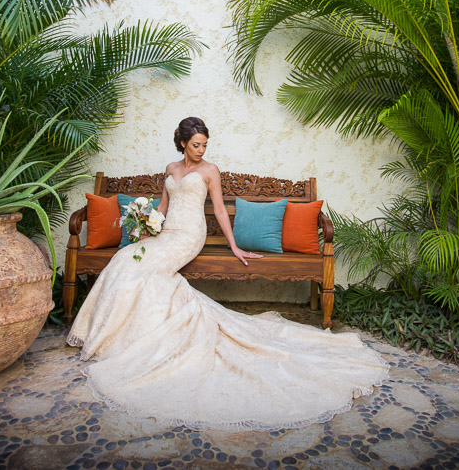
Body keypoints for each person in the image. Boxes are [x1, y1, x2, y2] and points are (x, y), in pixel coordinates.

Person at [67, 117, 388, 431]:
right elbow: (163, 205)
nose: (201, 150)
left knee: (143, 272)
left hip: (189, 237)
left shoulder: (210, 171)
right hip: (165, 235)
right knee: (125, 261)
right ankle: (114, 337)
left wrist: (234, 247)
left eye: (205, 144)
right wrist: (144, 225)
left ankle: (132, 338)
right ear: (182, 143)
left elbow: (219, 209)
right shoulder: (170, 169)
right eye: (196, 144)